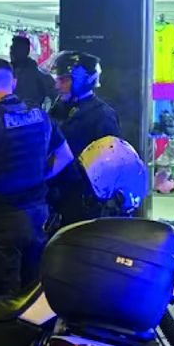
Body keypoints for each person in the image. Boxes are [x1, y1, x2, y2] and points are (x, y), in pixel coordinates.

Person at [0, 59, 73, 296]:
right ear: (13, 82)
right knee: (31, 291)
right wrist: (38, 175)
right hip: (38, 214)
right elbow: (65, 156)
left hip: (0, 219)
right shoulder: (40, 115)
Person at [47, 51, 121, 228]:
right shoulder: (58, 108)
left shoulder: (102, 115)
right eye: (57, 79)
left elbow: (108, 165)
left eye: (64, 80)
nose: (57, 85)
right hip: (57, 195)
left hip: (83, 201)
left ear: (83, 81)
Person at [10, 35, 57, 110]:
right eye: (12, 49)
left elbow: (55, 92)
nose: (12, 52)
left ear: (26, 51)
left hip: (31, 114)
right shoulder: (6, 71)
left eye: (16, 49)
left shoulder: (37, 73)